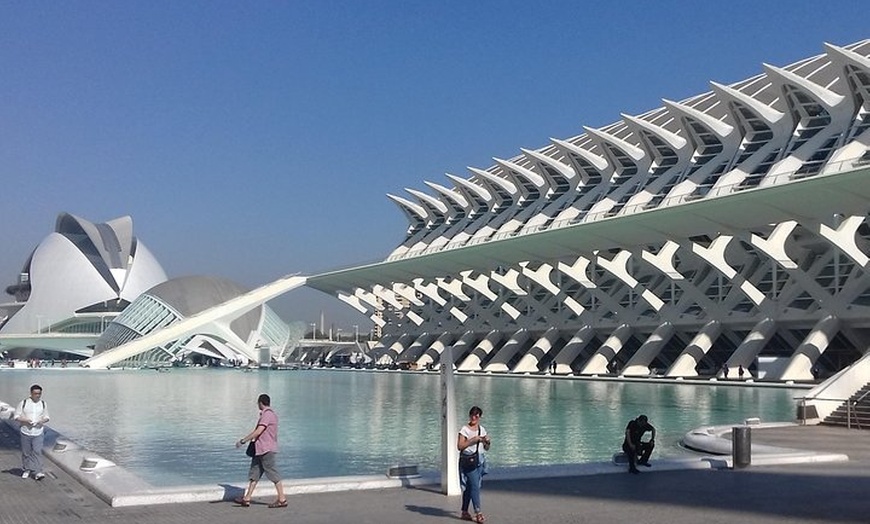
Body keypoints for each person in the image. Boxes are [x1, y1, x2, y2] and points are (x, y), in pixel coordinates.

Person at [234, 393, 287, 508]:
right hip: (260, 449)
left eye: (258, 403)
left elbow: (259, 431)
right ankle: (247, 498)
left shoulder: (267, 415)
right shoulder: (268, 415)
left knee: (272, 473)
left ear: (260, 403)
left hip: (266, 449)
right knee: (255, 474)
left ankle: (282, 499)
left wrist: (243, 441)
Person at [457, 405, 491, 523]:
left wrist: (487, 442)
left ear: (480, 416)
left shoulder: (482, 429)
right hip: (468, 461)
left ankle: (464, 511)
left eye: (476, 415)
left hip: (479, 461)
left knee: (470, 487)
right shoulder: (464, 430)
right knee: (475, 486)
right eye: (472, 414)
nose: (474, 417)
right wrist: (473, 440)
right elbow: (460, 446)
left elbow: (486, 448)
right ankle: (478, 513)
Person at [14, 384, 50, 480]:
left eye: (39, 393)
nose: (37, 395)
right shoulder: (24, 403)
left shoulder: (43, 403)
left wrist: (41, 421)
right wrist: (25, 420)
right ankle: (27, 469)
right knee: (26, 452)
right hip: (25, 431)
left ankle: (38, 471)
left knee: (37, 451)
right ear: (31, 393)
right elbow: (16, 416)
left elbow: (47, 417)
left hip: (38, 431)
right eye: (35, 393)